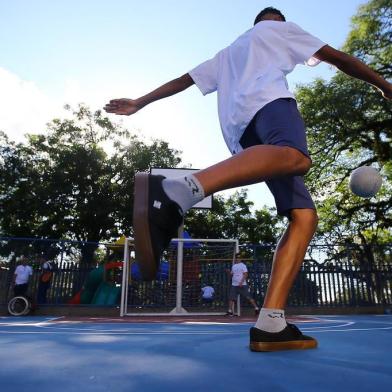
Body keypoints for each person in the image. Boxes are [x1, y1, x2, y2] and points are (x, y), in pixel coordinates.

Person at [104, 7, 392, 351]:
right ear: (276, 22)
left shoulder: (227, 54)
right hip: (272, 107)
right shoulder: (278, 30)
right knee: (297, 156)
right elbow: (338, 58)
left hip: (243, 137)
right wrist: (384, 85)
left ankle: (271, 321)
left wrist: (140, 102)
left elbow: (184, 80)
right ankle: (183, 189)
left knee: (304, 216)